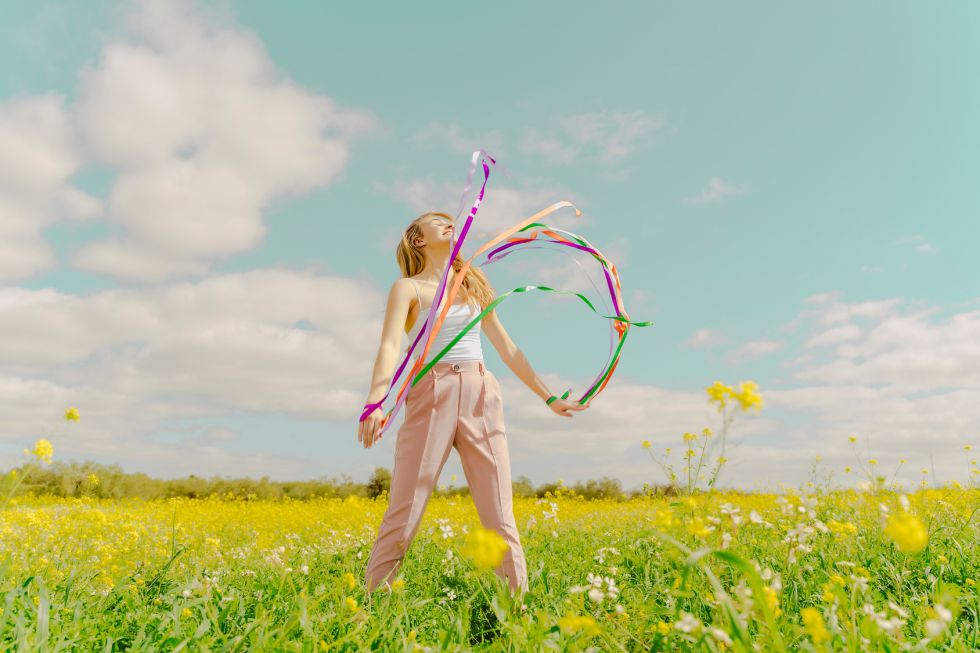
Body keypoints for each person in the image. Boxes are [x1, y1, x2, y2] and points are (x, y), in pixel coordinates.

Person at [358, 210, 587, 595]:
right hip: (432, 391)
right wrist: (374, 402)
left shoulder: (474, 284)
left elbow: (507, 346)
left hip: (482, 391)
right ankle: (373, 602)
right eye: (438, 220)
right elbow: (389, 346)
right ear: (418, 239)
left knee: (499, 512)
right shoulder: (408, 288)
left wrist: (547, 396)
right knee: (406, 510)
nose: (450, 221)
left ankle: (516, 611)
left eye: (451, 219)